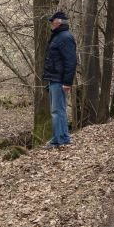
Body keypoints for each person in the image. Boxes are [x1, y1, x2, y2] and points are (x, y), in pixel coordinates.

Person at [43, 10, 77, 148]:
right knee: (58, 110)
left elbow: (71, 61)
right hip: (54, 79)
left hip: (59, 80)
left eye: (52, 21)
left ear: (58, 22)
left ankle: (58, 140)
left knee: (57, 111)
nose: (50, 24)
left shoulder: (65, 37)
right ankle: (62, 137)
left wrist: (67, 82)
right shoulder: (58, 37)